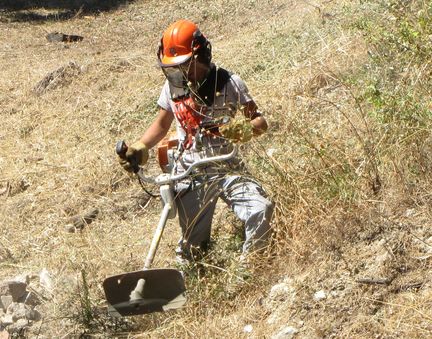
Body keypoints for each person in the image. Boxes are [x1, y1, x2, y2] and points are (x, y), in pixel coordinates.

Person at [119, 19, 274, 263]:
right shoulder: (172, 89)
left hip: (227, 167)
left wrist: (242, 130)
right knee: (194, 249)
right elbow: (161, 124)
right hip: (191, 174)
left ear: (202, 56)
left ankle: (250, 268)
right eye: (175, 67)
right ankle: (192, 275)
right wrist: (141, 146)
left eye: (186, 65)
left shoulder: (230, 83)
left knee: (260, 209)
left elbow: (260, 122)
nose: (181, 73)